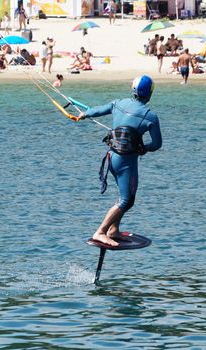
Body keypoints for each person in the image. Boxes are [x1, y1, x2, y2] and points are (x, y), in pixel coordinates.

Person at [78, 75, 162, 247]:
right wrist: (144, 148)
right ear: (150, 93)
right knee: (126, 200)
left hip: (112, 158)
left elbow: (99, 110)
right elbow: (157, 144)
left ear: (133, 90)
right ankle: (101, 232)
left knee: (124, 197)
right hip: (127, 163)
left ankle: (113, 230)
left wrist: (84, 114)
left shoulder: (118, 103)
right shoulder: (150, 116)